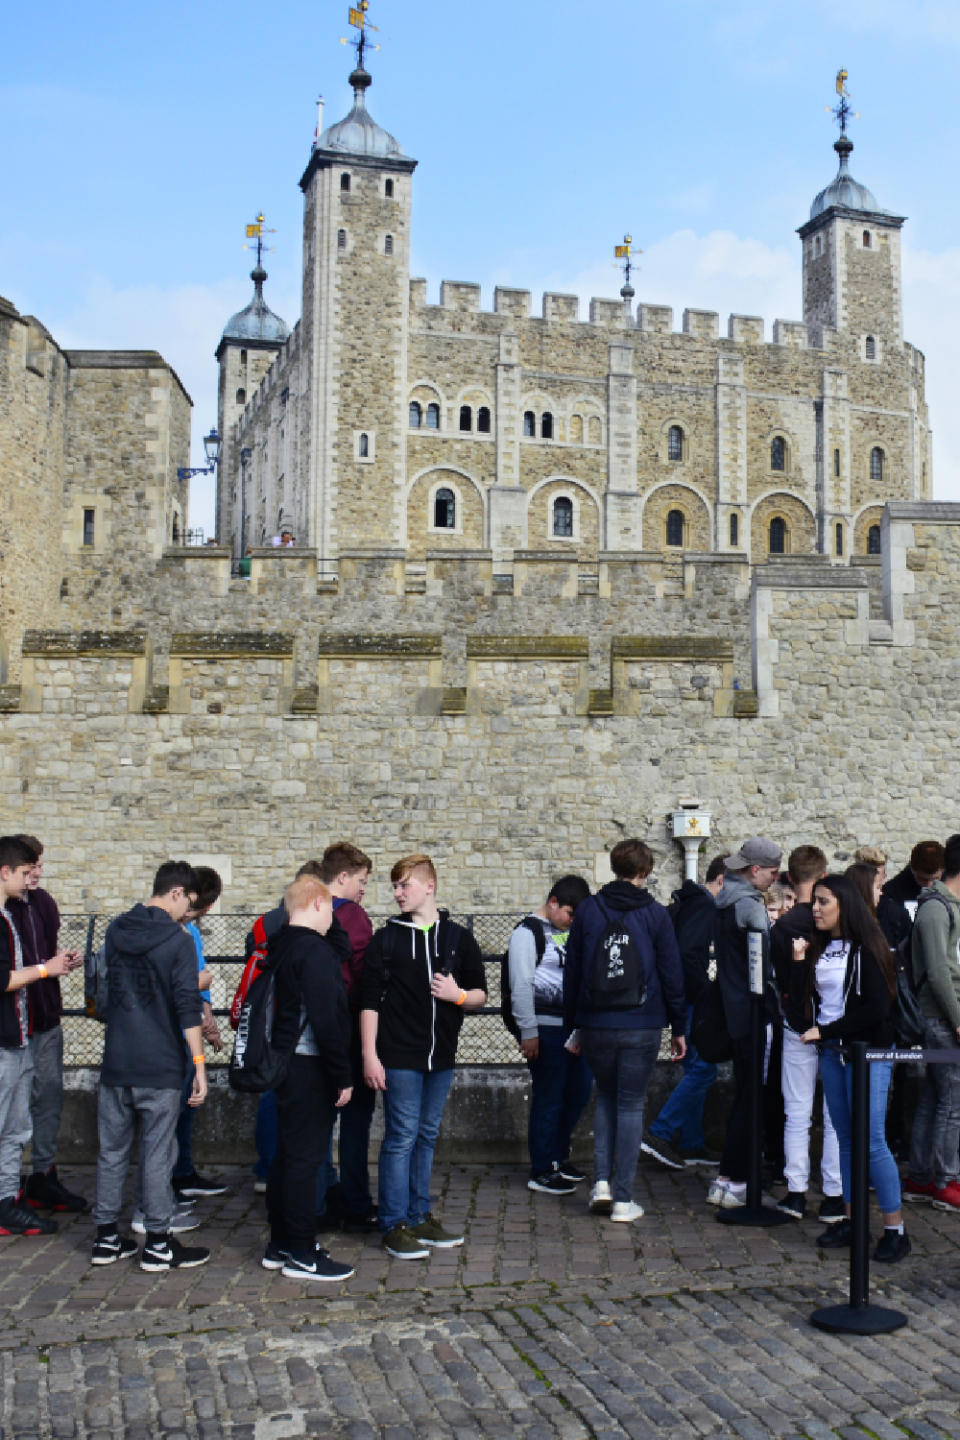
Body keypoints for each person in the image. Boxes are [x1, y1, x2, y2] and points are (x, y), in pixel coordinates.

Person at [360, 854, 486, 1260]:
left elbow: (481, 993)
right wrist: (369, 1054)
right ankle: (394, 1222)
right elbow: (369, 1002)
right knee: (401, 1137)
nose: (398, 893)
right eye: (395, 886)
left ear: (429, 886)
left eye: (405, 885)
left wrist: (459, 996)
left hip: (441, 1057)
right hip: (399, 1056)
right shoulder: (387, 939)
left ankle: (419, 1215)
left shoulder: (457, 938)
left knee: (427, 1135)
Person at [92, 861, 210, 1271]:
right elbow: (186, 1006)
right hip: (159, 1063)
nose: (188, 913)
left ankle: (106, 1238)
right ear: (176, 893)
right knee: (159, 1153)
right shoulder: (176, 941)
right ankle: (158, 1243)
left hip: (117, 1060)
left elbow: (103, 995)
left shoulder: (115, 930)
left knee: (111, 1152)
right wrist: (199, 1065)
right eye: (189, 903)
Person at [563, 839, 686, 1223]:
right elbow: (671, 972)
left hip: (597, 1022)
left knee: (606, 1099)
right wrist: (679, 1025)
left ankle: (601, 1183)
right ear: (644, 871)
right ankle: (624, 1198)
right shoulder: (655, 914)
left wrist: (575, 1024)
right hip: (643, 1021)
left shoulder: (588, 910)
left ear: (615, 867)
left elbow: (574, 971)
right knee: (631, 1104)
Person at [794, 874, 908, 1262]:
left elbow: (875, 1009)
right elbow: (809, 1001)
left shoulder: (868, 948)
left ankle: (895, 1229)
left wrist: (824, 1030)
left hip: (867, 1052)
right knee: (843, 1137)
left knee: (872, 1139)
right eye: (815, 902)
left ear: (844, 904)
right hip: (833, 1052)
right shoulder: (821, 947)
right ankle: (851, 1218)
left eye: (824, 902)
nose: (816, 908)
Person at [262, 874, 355, 1282]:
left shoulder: (281, 943)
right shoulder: (311, 952)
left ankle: (281, 1242)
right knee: (304, 1160)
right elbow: (327, 1019)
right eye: (329, 908)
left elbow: (341, 949)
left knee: (287, 1156)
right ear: (319, 903)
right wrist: (342, 1075)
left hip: (284, 1063)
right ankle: (301, 1251)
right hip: (309, 1064)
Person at [0, 836, 78, 1237]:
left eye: (39, 865)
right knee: (10, 1117)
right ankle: (7, 1197)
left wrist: (59, 963)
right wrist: (45, 969)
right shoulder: (6, 910)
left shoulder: (42, 904)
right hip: (14, 1024)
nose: (37, 872)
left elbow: (42, 956)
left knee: (41, 1105)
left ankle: (37, 1179)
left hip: (40, 1018)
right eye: (30, 866)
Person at [768, 845, 844, 1225]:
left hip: (797, 1022)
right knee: (832, 1114)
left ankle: (796, 1190)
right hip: (829, 1024)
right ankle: (832, 1193)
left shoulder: (783, 927)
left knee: (796, 1111)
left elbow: (782, 979)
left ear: (790, 877)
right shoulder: (832, 924)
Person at [507, 873, 591, 1195]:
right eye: (569, 914)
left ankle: (558, 1157)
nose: (571, 922)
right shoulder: (527, 933)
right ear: (553, 903)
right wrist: (528, 1032)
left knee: (577, 1093)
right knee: (549, 1098)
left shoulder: (565, 932)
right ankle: (542, 1167)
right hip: (545, 1029)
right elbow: (522, 985)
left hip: (572, 1031)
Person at [710, 836, 782, 1210]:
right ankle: (736, 1180)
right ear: (755, 870)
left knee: (744, 1095)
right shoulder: (750, 908)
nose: (775, 878)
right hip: (753, 1013)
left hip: (732, 1011)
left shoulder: (724, 902)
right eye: (772, 872)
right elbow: (765, 967)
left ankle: (726, 1177)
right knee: (751, 1098)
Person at [644, 853, 727, 1169]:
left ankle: (692, 1144)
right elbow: (688, 957)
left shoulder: (689, 901)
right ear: (721, 880)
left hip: (684, 999)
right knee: (704, 1070)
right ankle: (660, 1132)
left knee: (696, 1070)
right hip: (693, 1000)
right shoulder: (704, 905)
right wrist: (706, 992)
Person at [316, 842, 377, 1231]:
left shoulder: (299, 911)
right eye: (361, 880)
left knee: (317, 1123)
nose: (363, 889)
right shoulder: (352, 915)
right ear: (343, 877)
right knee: (355, 1121)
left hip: (311, 1033)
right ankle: (355, 1202)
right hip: (348, 1030)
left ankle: (320, 1199)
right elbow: (363, 974)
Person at [902, 833, 960, 1213]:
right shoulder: (937, 908)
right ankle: (946, 1181)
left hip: (942, 1015)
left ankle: (922, 1177)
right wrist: (958, 1019)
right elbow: (939, 972)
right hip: (942, 1017)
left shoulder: (942, 904)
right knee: (953, 1104)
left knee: (934, 1099)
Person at [171, 866, 227, 1203]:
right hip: (180, 1032)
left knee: (184, 1110)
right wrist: (207, 1018)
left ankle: (182, 1172)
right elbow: (192, 982)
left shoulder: (187, 929)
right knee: (178, 1108)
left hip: (185, 1026)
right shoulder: (183, 932)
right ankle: (174, 1180)